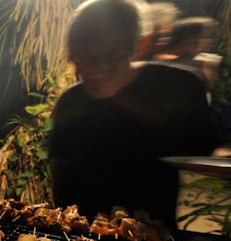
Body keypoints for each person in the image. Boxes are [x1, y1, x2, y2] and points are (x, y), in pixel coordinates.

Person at [49, 0, 216, 229]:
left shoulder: (181, 87)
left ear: (140, 44)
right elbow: (61, 171)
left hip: (152, 235)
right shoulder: (71, 101)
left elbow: (201, 149)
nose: (91, 70)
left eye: (106, 56)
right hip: (83, 234)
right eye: (80, 60)